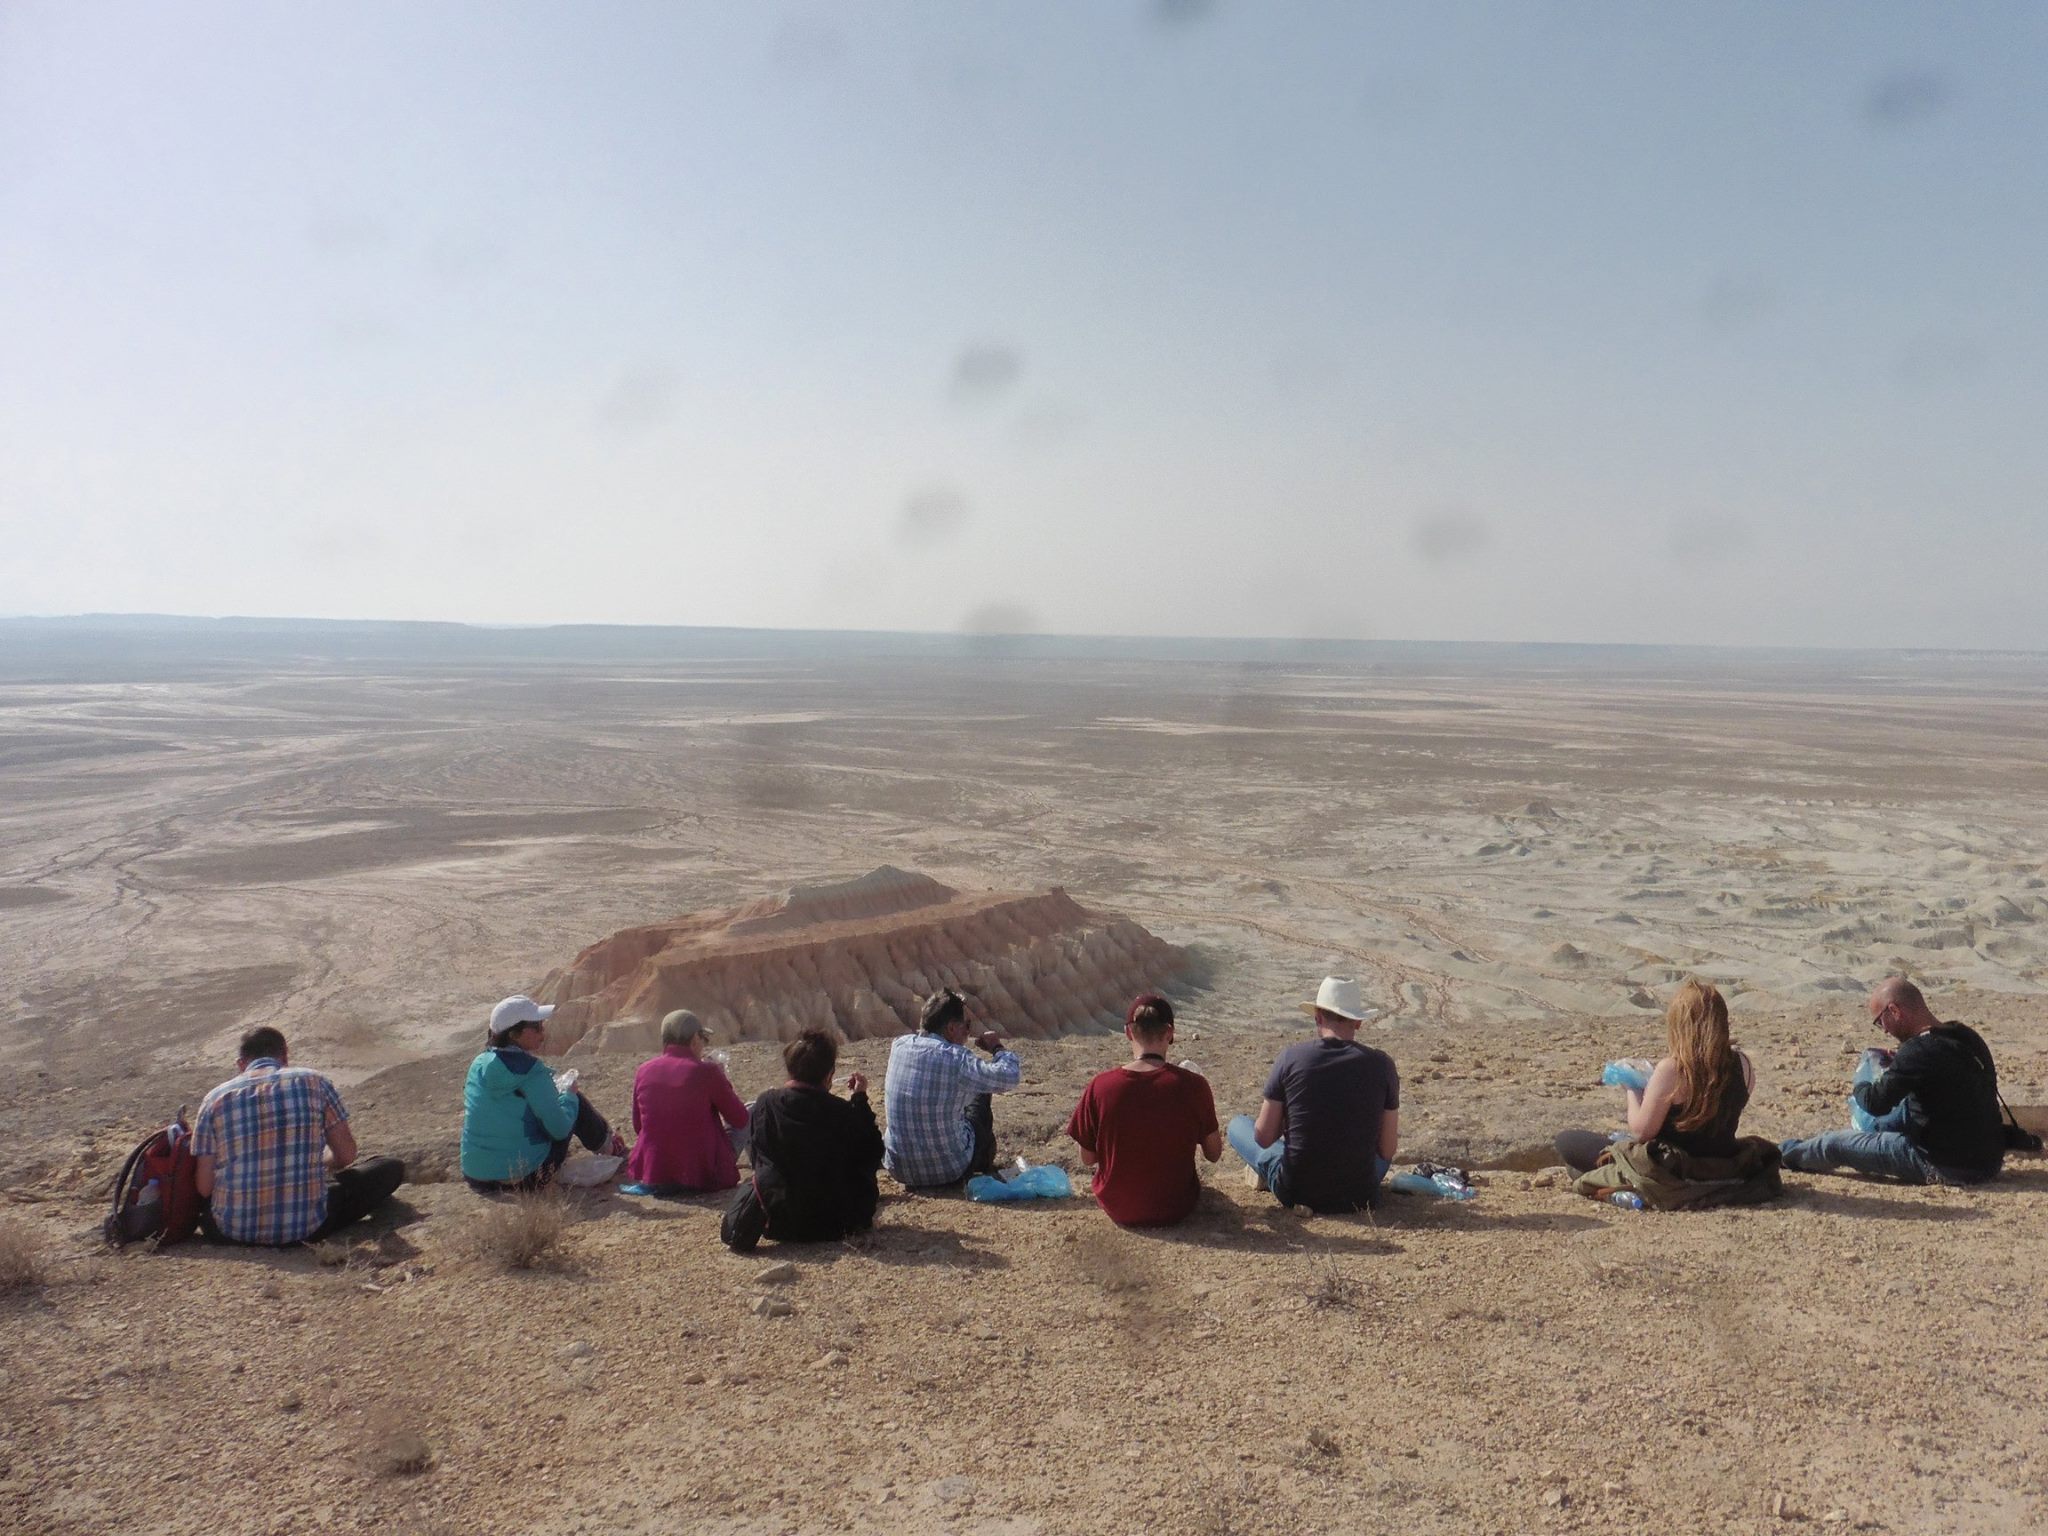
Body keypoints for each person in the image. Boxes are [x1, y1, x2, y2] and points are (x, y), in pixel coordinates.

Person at [1779, 978, 2005, 1186]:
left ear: (1894, 1011)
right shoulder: (1965, 1035)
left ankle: (1779, 1154)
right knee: (1905, 1107)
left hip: (1944, 1164)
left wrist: (1861, 1079)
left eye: (1880, 1022)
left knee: (1832, 1144)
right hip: (1989, 1160)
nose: (1885, 1031)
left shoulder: (1916, 1051)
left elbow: (1874, 1103)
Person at [192, 1026, 404, 1245]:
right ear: (284, 1055)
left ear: (240, 1064)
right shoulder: (315, 1082)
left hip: (230, 1231)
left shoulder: (214, 1099)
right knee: (389, 1168)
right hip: (308, 1227)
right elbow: (346, 1155)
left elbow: (204, 1187)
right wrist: (320, 1162)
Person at [1227, 976, 1397, 1213]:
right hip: (1360, 1194)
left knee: (1237, 1125)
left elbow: (1264, 1138)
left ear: (1318, 1016)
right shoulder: (1382, 1065)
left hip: (1297, 1191)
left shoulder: (1291, 1058)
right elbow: (1387, 1150)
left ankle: (1268, 1176)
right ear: (1358, 1023)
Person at [1554, 978, 1756, 1174]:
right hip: (1721, 1165)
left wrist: (1632, 1089)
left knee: (1567, 1140)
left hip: (1671, 1168)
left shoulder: (1673, 1069)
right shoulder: (1743, 1063)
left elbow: (1642, 1132)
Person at [1064, 993, 1221, 1226]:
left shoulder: (1101, 1086)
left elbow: (1087, 1158)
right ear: (1170, 1033)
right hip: (1177, 1207)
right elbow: (1213, 1154)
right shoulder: (1194, 1086)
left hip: (1118, 1207)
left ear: (1128, 1032)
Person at [721, 1028, 884, 1251]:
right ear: (829, 1075)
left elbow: (759, 1157)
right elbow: (872, 1153)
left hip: (778, 1222)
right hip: (836, 1223)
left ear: (790, 1069)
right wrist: (859, 1101)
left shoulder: (766, 1104)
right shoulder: (842, 1113)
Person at [461, 994, 626, 1193]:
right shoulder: (531, 1072)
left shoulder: (478, 1064)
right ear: (514, 1034)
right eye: (537, 1026)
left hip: (476, 1176)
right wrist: (570, 1096)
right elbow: (559, 1130)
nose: (543, 1031)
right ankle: (611, 1149)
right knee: (573, 1100)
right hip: (526, 1178)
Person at [882, 988, 1022, 1188]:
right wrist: (996, 1048)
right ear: (951, 1029)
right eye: (967, 1025)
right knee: (981, 1094)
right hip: (949, 1170)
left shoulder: (899, 1046)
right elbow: (1010, 1076)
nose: (968, 1031)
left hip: (899, 1168)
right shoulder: (958, 1059)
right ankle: (984, 1160)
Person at [624, 1009, 750, 1194]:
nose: (703, 1045)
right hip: (702, 1176)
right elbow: (740, 1119)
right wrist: (722, 1080)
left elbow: (638, 1126)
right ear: (694, 1040)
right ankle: (764, 1174)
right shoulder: (707, 1072)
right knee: (755, 1109)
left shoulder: (643, 1070)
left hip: (655, 1175)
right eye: (703, 1039)